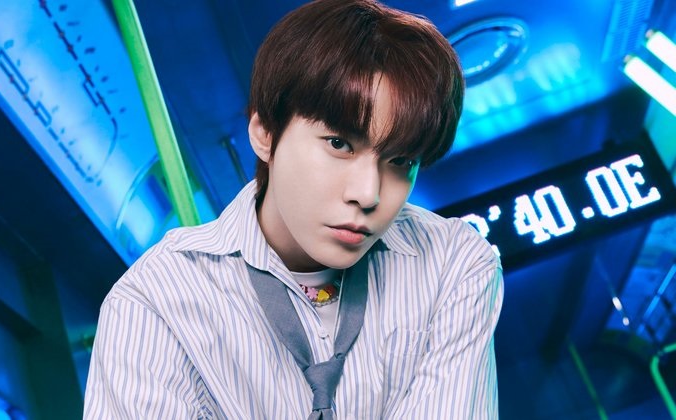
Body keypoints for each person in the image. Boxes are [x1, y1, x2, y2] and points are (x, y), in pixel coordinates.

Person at [84, 0, 503, 418]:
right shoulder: (155, 301)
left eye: (400, 161)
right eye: (339, 144)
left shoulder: (453, 262)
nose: (368, 194)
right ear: (265, 134)